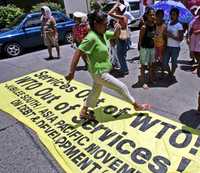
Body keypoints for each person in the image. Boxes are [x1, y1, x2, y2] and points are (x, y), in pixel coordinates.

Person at [65, 11, 150, 120]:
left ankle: (84, 111)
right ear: (96, 24)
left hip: (98, 71)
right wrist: (72, 72)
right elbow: (78, 52)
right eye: (105, 24)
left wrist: (118, 29)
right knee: (121, 87)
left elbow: (115, 35)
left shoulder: (102, 33)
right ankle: (136, 105)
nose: (106, 26)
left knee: (95, 91)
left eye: (107, 24)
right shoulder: (91, 37)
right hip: (99, 73)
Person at [108, 1, 129, 76]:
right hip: (123, 38)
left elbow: (109, 13)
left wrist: (116, 5)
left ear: (119, 10)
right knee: (121, 55)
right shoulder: (124, 17)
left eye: (116, 9)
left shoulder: (122, 17)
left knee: (120, 55)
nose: (115, 10)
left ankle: (124, 70)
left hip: (121, 38)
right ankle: (124, 69)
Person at [163, 7, 183, 80]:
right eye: (171, 14)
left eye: (174, 14)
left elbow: (180, 39)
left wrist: (171, 35)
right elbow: (165, 33)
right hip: (167, 47)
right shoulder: (168, 23)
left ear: (177, 15)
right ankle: (170, 73)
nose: (172, 16)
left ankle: (171, 75)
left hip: (175, 48)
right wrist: (165, 32)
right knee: (164, 63)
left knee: (173, 63)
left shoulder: (179, 25)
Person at [138, 7, 156, 89]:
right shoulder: (144, 27)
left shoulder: (154, 24)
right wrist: (140, 49)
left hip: (152, 47)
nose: (152, 16)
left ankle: (150, 79)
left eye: (153, 14)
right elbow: (140, 39)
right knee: (143, 66)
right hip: (144, 48)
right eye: (150, 15)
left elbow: (153, 35)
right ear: (147, 15)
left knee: (151, 65)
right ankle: (143, 82)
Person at [154, 9, 167, 77]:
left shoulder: (164, 26)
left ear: (163, 16)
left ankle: (162, 71)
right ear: (155, 16)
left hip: (162, 45)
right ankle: (154, 71)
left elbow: (165, 37)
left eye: (161, 16)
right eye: (158, 16)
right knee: (154, 59)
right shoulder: (153, 25)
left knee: (162, 60)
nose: (159, 17)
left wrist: (165, 45)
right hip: (154, 45)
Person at [189, 7, 200, 76]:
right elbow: (191, 27)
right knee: (195, 53)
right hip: (194, 37)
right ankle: (198, 65)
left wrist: (198, 31)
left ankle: (198, 68)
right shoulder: (195, 19)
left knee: (199, 52)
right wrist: (188, 36)